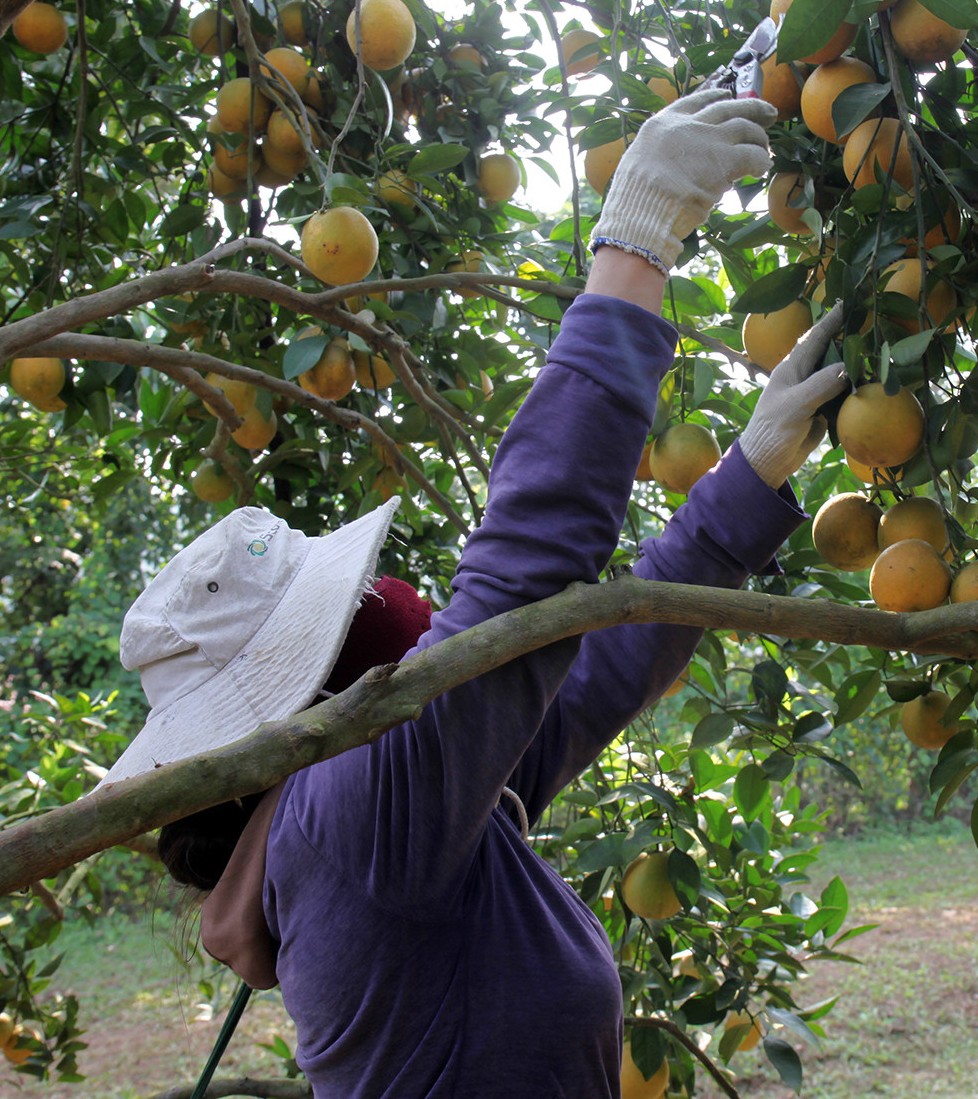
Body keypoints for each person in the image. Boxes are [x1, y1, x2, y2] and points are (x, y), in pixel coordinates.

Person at [101, 86, 850, 1098]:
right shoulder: (349, 822)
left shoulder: (408, 816)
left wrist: (743, 485)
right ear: (325, 685)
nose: (403, 606)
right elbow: (526, 571)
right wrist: (631, 244)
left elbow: (580, 669)